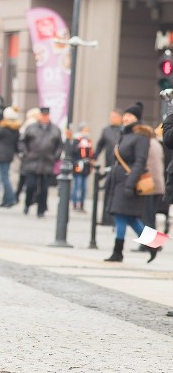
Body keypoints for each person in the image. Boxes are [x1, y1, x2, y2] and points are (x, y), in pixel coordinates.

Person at [104, 102, 160, 263]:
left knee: (121, 215)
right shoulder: (124, 135)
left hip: (129, 182)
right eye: (125, 115)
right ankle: (154, 244)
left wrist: (130, 183)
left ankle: (118, 251)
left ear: (136, 118)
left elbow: (140, 162)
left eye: (130, 116)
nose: (126, 118)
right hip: (119, 182)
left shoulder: (141, 137)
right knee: (129, 218)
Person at [20, 107, 62, 218]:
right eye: (43, 115)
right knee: (30, 186)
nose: (44, 117)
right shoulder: (31, 128)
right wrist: (25, 153)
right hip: (32, 161)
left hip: (47, 162)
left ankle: (41, 210)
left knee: (44, 189)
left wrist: (55, 157)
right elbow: (22, 142)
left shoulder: (55, 130)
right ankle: (27, 204)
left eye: (46, 115)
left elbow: (59, 146)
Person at [69, 123, 94, 212]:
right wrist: (75, 163)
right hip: (78, 165)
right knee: (77, 185)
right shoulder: (77, 140)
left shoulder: (88, 141)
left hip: (86, 166)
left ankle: (82, 204)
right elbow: (72, 153)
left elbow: (91, 154)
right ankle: (75, 203)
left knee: (84, 187)